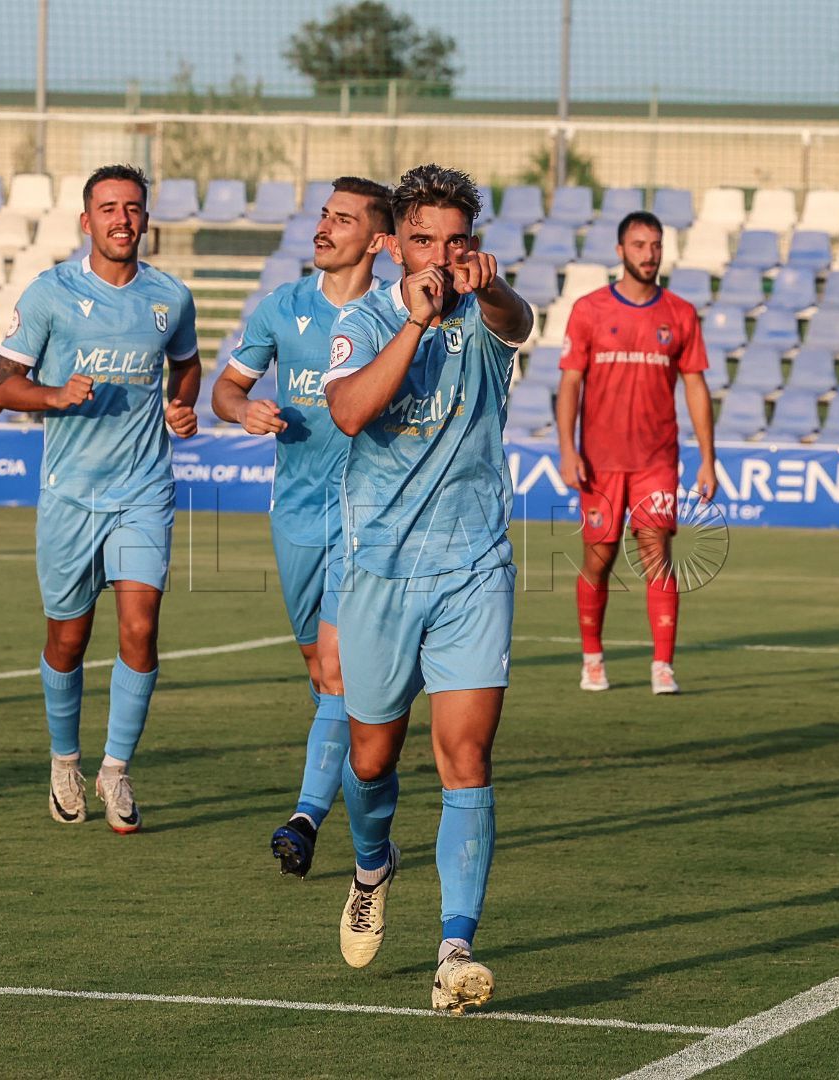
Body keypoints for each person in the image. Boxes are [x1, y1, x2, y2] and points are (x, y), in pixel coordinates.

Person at [322, 163, 533, 1013]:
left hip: (473, 569)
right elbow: (347, 411)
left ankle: (455, 948)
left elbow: (516, 322)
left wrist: (496, 287)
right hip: (378, 574)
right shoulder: (366, 316)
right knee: (370, 760)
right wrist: (411, 324)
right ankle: (373, 865)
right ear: (391, 244)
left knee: (466, 757)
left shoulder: (490, 317)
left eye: (456, 243)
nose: (440, 258)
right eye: (422, 241)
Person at [0, 165, 201, 832]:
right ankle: (64, 760)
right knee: (68, 639)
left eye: (132, 207)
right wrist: (53, 397)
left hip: (143, 491)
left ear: (145, 220)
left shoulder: (171, 297)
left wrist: (182, 403)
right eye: (107, 207)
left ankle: (115, 770)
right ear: (86, 221)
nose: (121, 218)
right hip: (69, 497)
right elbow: (2, 385)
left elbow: (188, 364)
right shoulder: (51, 293)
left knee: (140, 631)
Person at [211, 176, 392, 879]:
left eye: (343, 219)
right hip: (295, 512)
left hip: (369, 514)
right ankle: (364, 801)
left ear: (377, 241)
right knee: (322, 673)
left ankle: (305, 817)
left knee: (339, 671)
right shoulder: (282, 307)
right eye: (323, 214)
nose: (324, 227)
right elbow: (227, 387)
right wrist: (242, 411)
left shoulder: (392, 314)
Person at [555, 211, 717, 696]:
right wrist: (567, 449)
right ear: (620, 250)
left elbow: (696, 386)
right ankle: (593, 659)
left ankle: (662, 666)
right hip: (600, 460)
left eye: (656, 244)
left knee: (656, 556)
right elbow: (570, 385)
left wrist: (708, 457)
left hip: (656, 460)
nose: (649, 253)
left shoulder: (680, 314)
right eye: (640, 244)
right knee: (599, 558)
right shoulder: (589, 310)